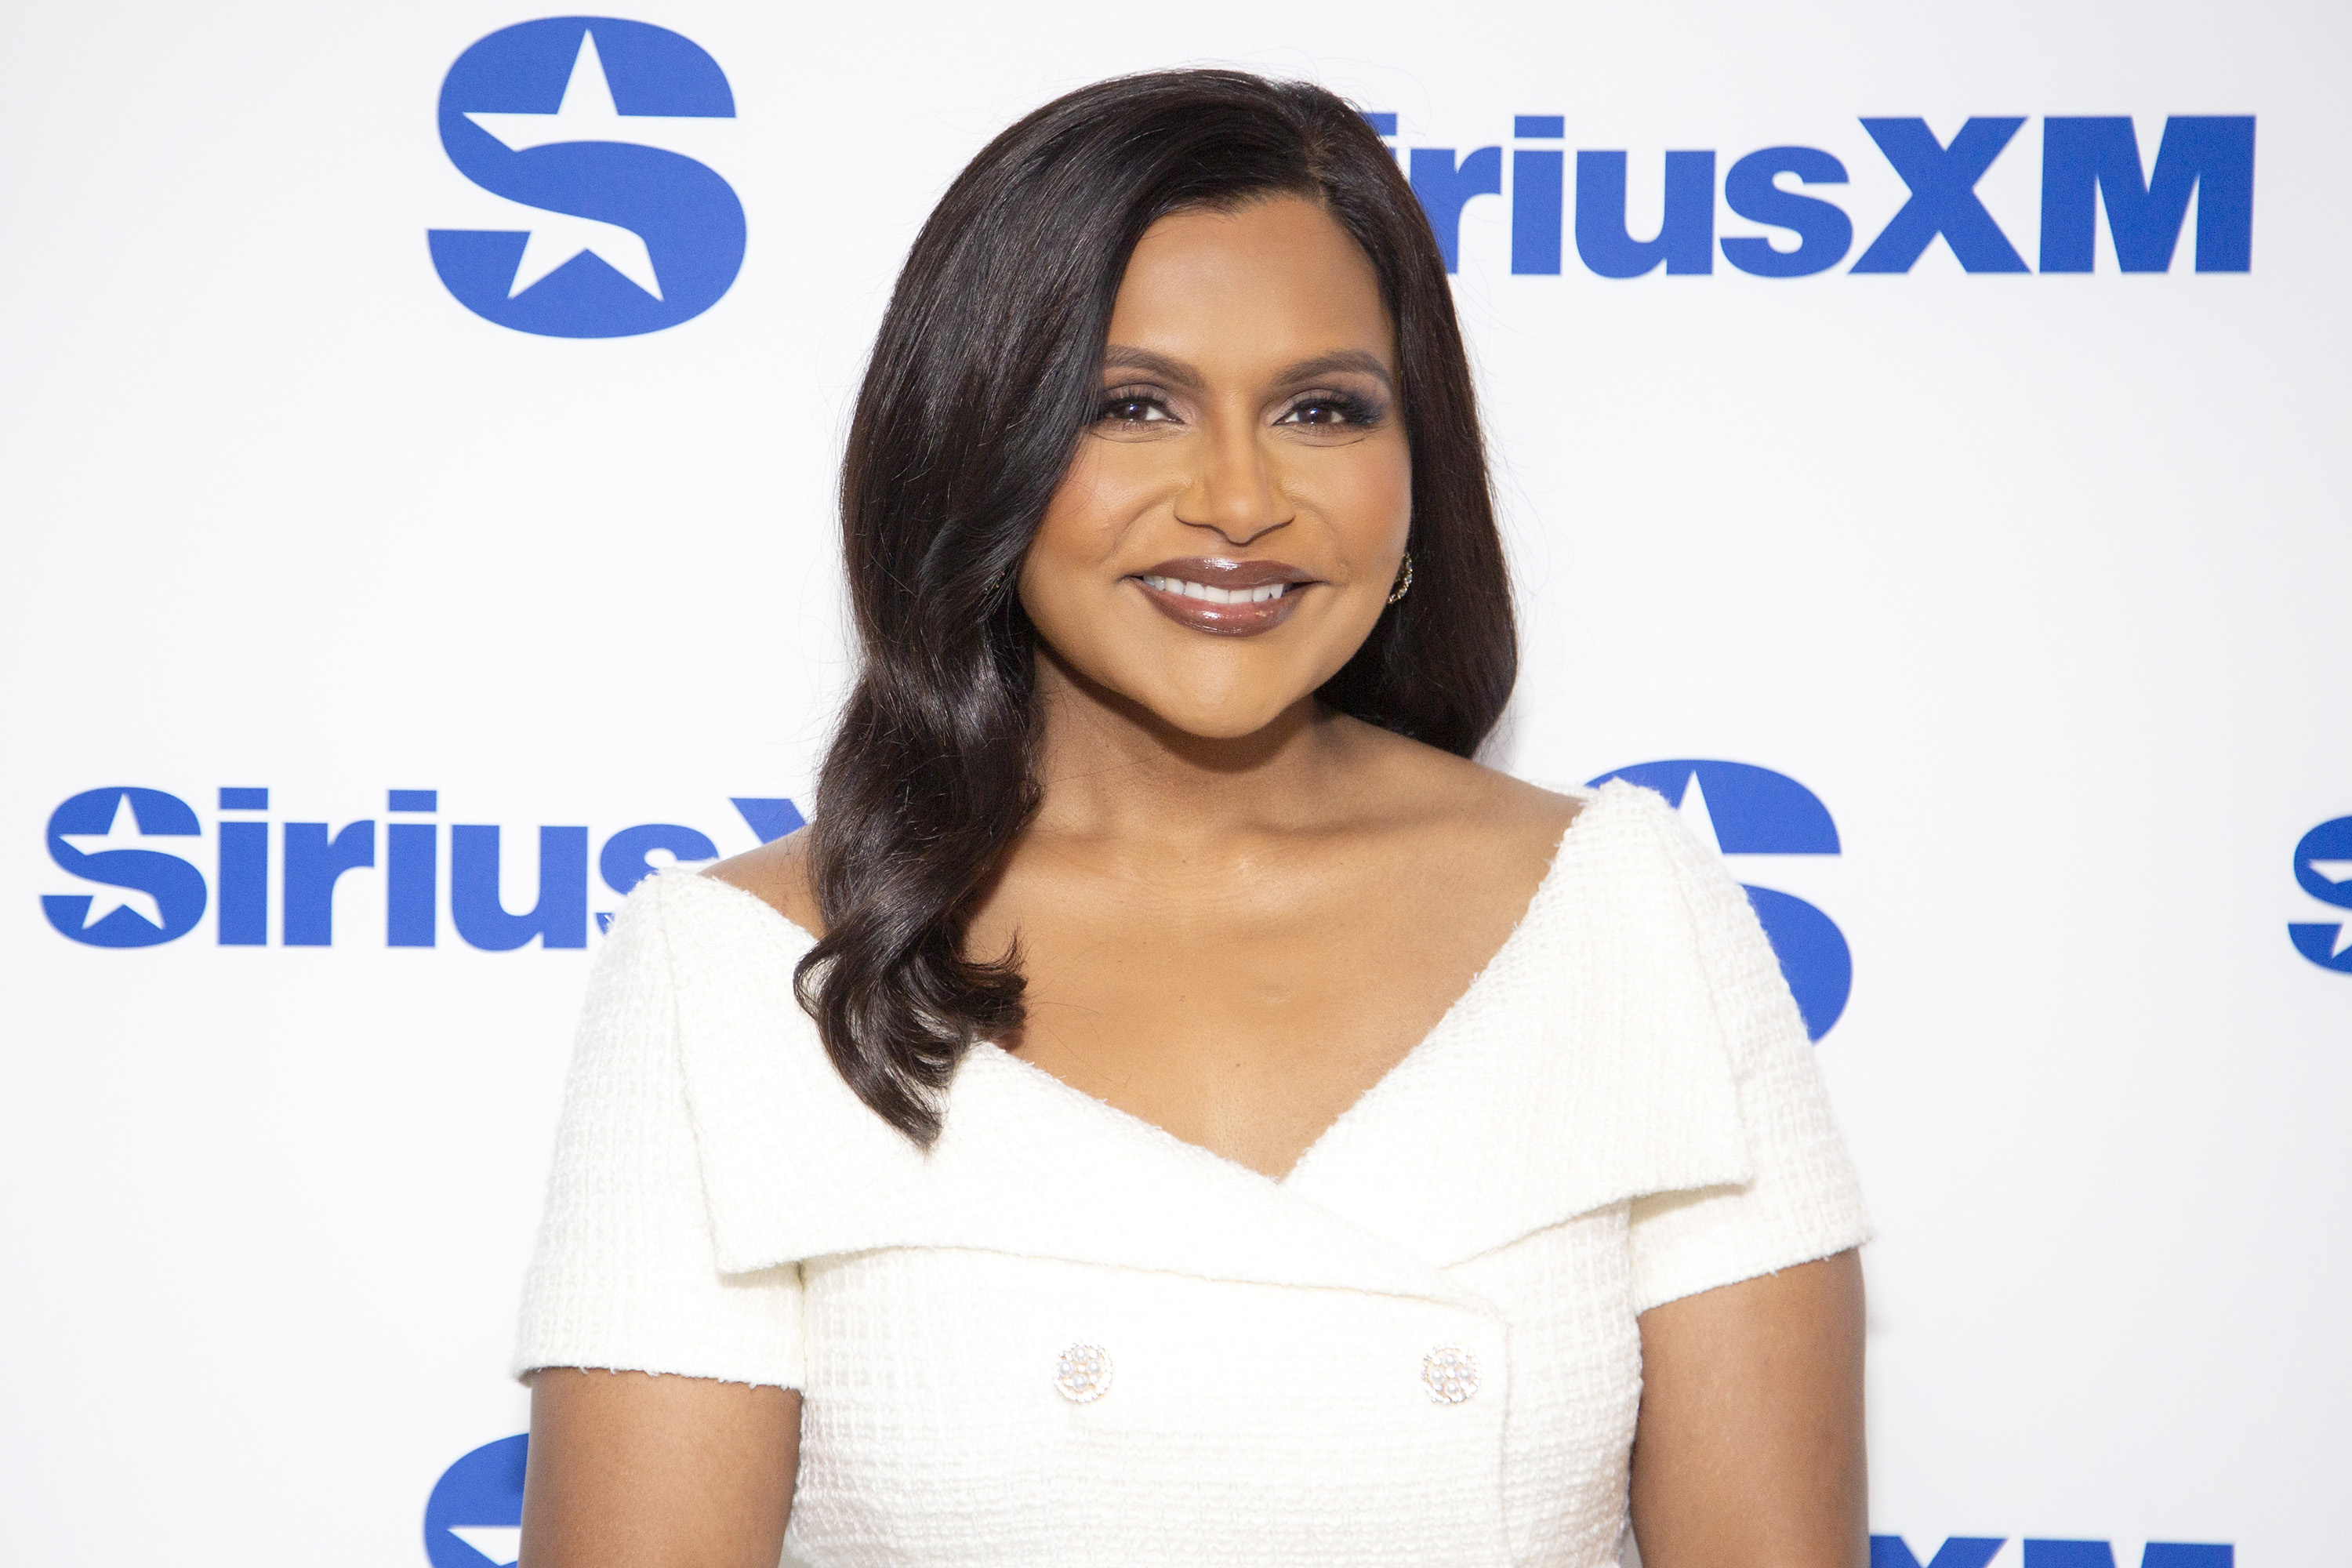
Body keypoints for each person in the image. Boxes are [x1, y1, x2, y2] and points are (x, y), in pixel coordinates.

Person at [512, 69, 1869, 1568]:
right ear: (983, 447)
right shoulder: (734, 971)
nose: (1241, 498)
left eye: (1322, 408)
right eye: (1134, 405)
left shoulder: (1626, 906)